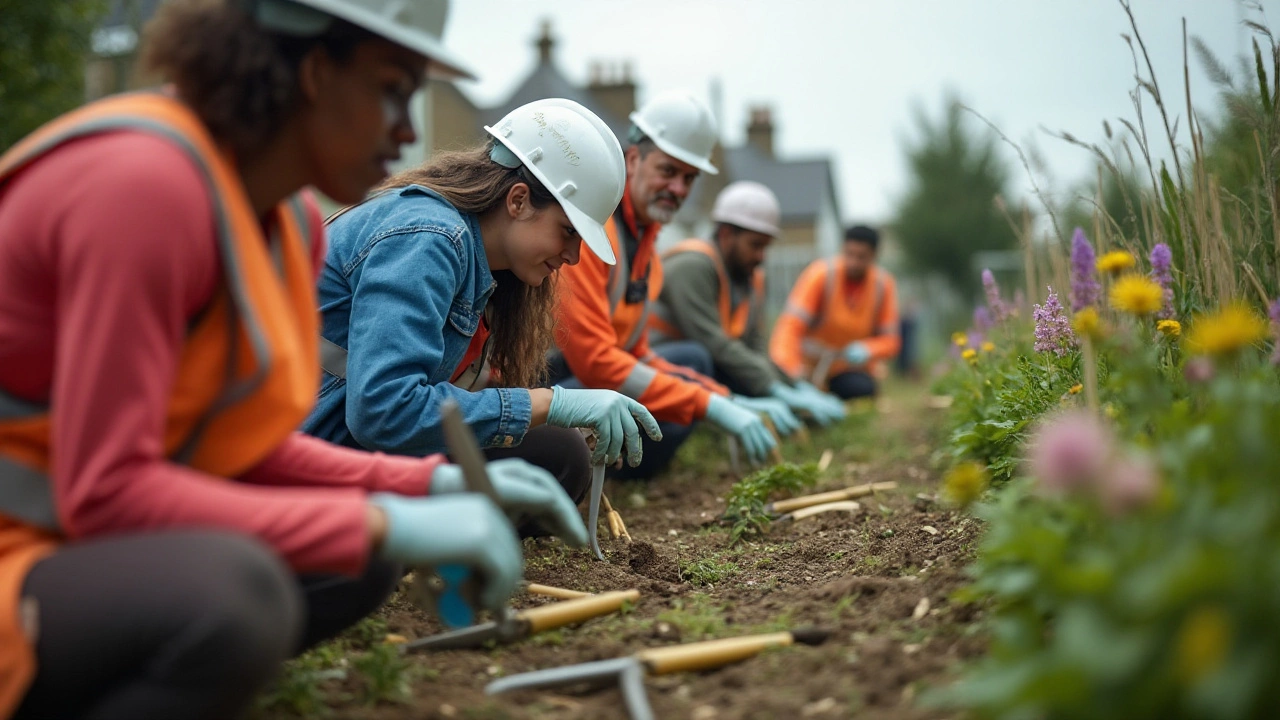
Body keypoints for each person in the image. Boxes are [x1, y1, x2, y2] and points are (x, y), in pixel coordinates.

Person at [0, 2, 584, 718]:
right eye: (392, 89)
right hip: (26, 550)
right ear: (314, 72)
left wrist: (425, 485)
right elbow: (106, 490)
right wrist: (385, 519)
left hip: (69, 546)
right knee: (235, 602)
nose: (408, 130)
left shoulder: (288, 223)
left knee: (355, 561)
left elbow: (238, 449)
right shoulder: (143, 187)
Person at [302, 97, 662, 508]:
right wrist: (550, 403)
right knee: (554, 451)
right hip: (310, 449)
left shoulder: (484, 262)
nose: (574, 257)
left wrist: (562, 415)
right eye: (567, 232)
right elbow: (384, 411)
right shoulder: (429, 241)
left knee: (560, 454)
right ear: (519, 200)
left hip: (357, 446)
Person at [547, 91, 776, 480]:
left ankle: (612, 459)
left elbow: (638, 354)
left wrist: (721, 397)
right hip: (546, 383)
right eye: (668, 171)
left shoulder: (648, 254)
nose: (679, 189)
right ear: (633, 160)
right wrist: (707, 405)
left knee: (687, 380)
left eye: (689, 178)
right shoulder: (591, 233)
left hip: (590, 380)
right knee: (678, 404)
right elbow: (596, 361)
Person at [648, 181, 847, 431]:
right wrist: (773, 388)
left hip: (706, 366)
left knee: (745, 371)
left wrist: (792, 385)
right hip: (659, 364)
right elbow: (714, 343)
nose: (762, 256)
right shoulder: (692, 267)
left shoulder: (747, 276)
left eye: (765, 247)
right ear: (726, 235)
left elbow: (754, 347)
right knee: (700, 357)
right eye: (755, 245)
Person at [770, 224, 901, 399]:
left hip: (845, 370)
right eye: (849, 254)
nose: (853, 262)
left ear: (874, 256)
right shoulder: (820, 276)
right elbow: (789, 328)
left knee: (862, 389)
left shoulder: (882, 285)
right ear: (842, 249)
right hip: (807, 367)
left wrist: (868, 349)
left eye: (861, 257)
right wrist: (790, 370)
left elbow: (891, 341)